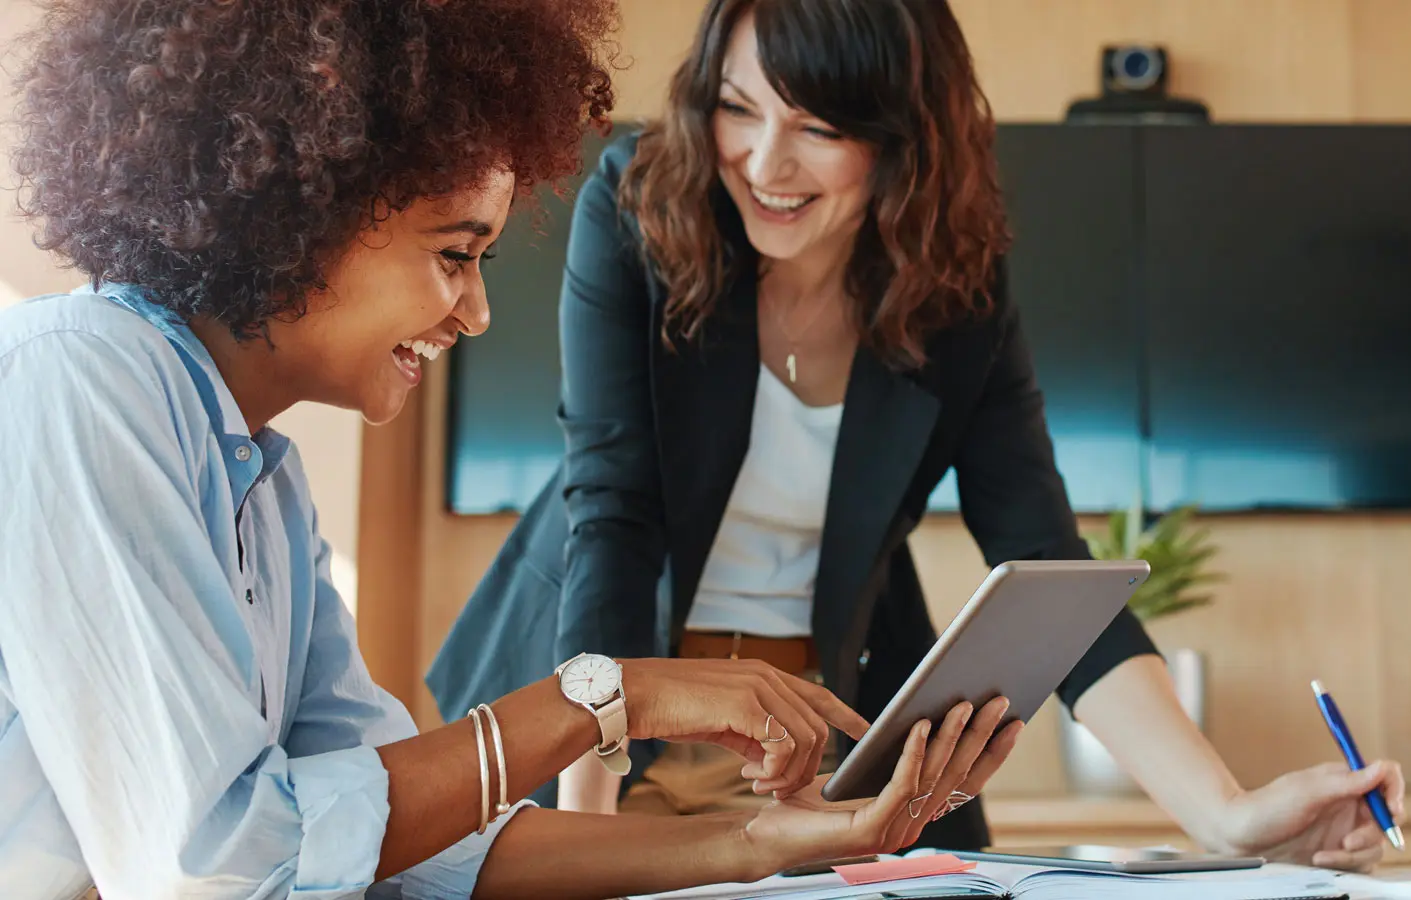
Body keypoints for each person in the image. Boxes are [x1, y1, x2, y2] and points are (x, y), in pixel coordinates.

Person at [0, 2, 1021, 898]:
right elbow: (219, 866)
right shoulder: (81, 378)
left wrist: (758, 841)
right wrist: (611, 696)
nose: (477, 311)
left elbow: (401, 846)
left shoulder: (265, 483)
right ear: (300, 209)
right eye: (455, 255)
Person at [428, 0, 1409, 871]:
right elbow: (615, 512)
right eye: (738, 106)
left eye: (817, 126)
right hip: (601, 722)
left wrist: (1230, 816)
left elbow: (1045, 562)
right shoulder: (640, 206)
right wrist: (584, 831)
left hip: (814, 747)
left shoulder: (954, 290)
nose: (764, 162)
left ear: (901, 137)